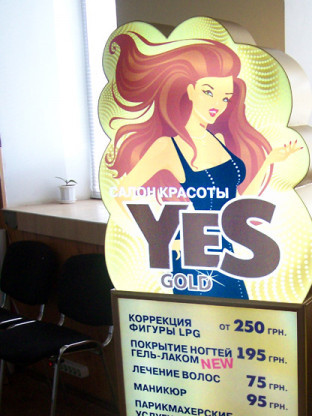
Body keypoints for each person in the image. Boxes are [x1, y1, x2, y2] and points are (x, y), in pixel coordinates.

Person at [106, 33, 298, 298]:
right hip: (195, 260)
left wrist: (268, 162)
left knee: (236, 316)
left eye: (225, 98)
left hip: (227, 253)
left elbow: (237, 202)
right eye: (209, 92)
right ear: (190, 90)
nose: (217, 104)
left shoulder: (218, 139)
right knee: (202, 320)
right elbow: (121, 193)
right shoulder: (168, 146)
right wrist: (161, 238)